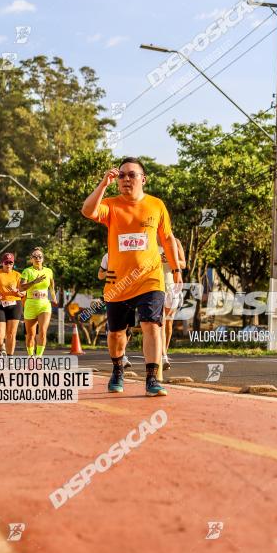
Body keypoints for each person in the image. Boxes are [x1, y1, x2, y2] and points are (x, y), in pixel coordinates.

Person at [81, 158, 182, 397]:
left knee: (151, 324)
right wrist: (104, 184)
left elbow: (167, 239)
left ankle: (152, 378)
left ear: (143, 179)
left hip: (150, 278)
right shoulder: (111, 204)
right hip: (118, 283)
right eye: (122, 175)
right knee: (117, 333)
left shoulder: (156, 205)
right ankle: (117, 369)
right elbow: (87, 211)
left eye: (131, 175)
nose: (126, 179)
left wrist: (176, 270)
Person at [19, 247, 57, 357]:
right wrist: (34, 281)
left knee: (43, 331)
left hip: (44, 305)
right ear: (31, 259)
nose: (37, 258)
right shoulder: (27, 271)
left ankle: (39, 357)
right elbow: (21, 288)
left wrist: (53, 297)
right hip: (30, 304)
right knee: (30, 335)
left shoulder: (49, 271)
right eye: (35, 256)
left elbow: (51, 287)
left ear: (43, 259)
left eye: (40, 256)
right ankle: (31, 356)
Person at [98, 253, 131, 369]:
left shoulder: (130, 253)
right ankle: (121, 358)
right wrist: (108, 273)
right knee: (115, 330)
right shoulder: (107, 256)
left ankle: (123, 354)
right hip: (113, 294)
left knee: (127, 329)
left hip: (130, 293)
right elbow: (100, 275)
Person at [160, 238, 186, 370]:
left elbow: (183, 264)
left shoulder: (175, 242)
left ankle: (164, 351)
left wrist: (169, 260)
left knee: (168, 323)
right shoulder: (149, 239)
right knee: (161, 321)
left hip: (172, 287)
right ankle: (163, 356)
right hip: (155, 286)